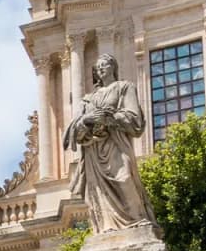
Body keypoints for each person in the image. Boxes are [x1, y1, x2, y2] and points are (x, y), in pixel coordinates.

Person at [61, 55, 153, 232]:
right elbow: (74, 130)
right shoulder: (88, 99)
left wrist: (110, 117)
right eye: (98, 66)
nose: (101, 68)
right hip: (94, 152)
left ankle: (137, 219)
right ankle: (106, 226)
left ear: (113, 67)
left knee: (125, 178)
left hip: (116, 145)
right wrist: (87, 119)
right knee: (98, 191)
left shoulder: (124, 87)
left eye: (105, 64)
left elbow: (135, 121)